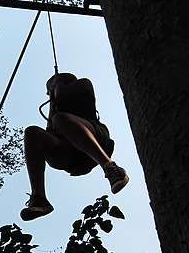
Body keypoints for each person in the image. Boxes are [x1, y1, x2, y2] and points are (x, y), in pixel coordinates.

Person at [20, 72, 129, 221]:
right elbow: (50, 131)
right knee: (32, 132)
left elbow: (61, 96)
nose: (49, 92)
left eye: (50, 87)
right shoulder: (56, 106)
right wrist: (52, 102)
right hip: (71, 153)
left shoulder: (83, 84)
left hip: (96, 136)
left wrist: (57, 84)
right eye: (48, 91)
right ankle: (39, 197)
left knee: (60, 119)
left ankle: (110, 167)